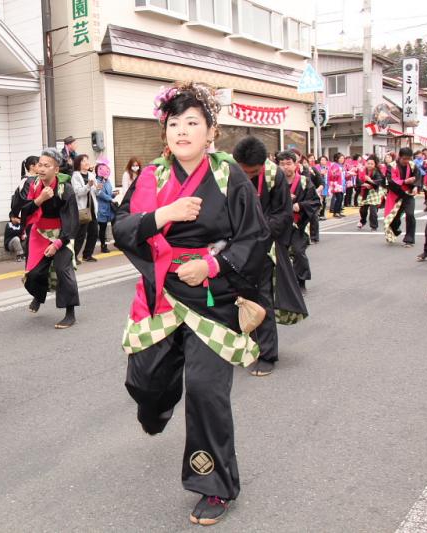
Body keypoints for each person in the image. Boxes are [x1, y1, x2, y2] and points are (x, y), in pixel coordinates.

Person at [115, 82, 269, 526]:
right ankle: (156, 407)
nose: (181, 131)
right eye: (174, 123)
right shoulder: (150, 177)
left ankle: (213, 485)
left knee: (205, 391)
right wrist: (164, 215)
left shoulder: (228, 176)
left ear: (211, 133)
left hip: (210, 299)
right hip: (160, 293)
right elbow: (123, 228)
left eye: (192, 123)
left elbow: (255, 237)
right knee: (144, 381)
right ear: (164, 131)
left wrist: (213, 268)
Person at [233, 137, 307, 377]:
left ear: (262, 165)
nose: (247, 175)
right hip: (235, 246)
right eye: (243, 170)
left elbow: (283, 214)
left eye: (251, 172)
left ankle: (267, 355)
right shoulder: (231, 172)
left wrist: (258, 231)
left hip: (263, 246)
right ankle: (244, 346)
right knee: (236, 299)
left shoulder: (273, 176)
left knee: (262, 298)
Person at [21, 147, 80, 329]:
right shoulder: (31, 185)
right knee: (34, 274)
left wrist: (59, 242)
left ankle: (70, 313)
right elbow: (22, 211)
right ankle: (39, 295)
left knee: (63, 271)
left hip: (62, 234)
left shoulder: (65, 189)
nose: (42, 168)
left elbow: (72, 220)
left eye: (47, 165)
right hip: (39, 233)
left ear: (56, 169)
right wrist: (39, 199)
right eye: (40, 164)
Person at [278, 150, 320, 292]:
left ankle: (301, 281)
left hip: (299, 224)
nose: (285, 167)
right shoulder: (276, 182)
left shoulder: (304, 181)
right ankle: (282, 282)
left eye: (289, 163)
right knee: (278, 253)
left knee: (297, 251)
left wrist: (300, 205)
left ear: (296, 164)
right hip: (280, 224)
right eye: (282, 164)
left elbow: (315, 201)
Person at [384, 147, 422, 247]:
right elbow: (390, 181)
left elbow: (418, 177)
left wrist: (416, 187)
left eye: (409, 158)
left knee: (410, 214)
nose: (406, 161)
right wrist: (404, 181)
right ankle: (395, 229)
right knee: (394, 218)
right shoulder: (391, 166)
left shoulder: (412, 165)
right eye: (404, 158)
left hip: (408, 194)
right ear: (399, 157)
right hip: (396, 194)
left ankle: (409, 240)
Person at [71, 154, 99, 262]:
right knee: (81, 234)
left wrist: (98, 189)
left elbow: (95, 192)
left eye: (87, 160)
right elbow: (78, 192)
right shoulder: (76, 176)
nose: (87, 162)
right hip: (82, 209)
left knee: (94, 233)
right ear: (79, 164)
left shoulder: (92, 175)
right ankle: (73, 256)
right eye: (84, 161)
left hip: (92, 208)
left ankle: (87, 254)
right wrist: (88, 186)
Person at [94, 158, 117, 254]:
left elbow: (108, 193)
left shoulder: (107, 180)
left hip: (110, 207)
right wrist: (110, 198)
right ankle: (103, 245)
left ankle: (118, 242)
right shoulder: (96, 181)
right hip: (101, 208)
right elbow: (100, 194)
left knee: (115, 225)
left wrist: (113, 194)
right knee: (102, 228)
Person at [357, 155, 384, 231]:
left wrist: (370, 181)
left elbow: (379, 181)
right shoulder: (362, 171)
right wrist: (364, 184)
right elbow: (358, 180)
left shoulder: (376, 172)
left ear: (375, 164)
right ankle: (363, 221)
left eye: (372, 164)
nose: (369, 165)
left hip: (373, 192)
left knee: (373, 210)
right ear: (366, 163)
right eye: (368, 163)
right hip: (364, 192)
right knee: (363, 210)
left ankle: (374, 226)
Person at [328, 153, 346, 217]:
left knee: (341, 198)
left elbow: (344, 175)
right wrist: (337, 173)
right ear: (337, 159)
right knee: (339, 198)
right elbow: (332, 174)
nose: (342, 159)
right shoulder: (335, 165)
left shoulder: (341, 166)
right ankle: (335, 212)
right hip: (337, 184)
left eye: (343, 158)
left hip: (342, 184)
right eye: (340, 158)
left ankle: (338, 211)